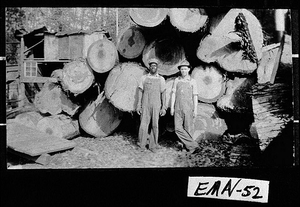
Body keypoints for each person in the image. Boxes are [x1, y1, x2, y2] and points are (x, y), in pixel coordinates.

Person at [137, 58, 167, 152]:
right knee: (143, 124)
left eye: (155, 65)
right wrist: (138, 105)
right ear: (149, 67)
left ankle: (153, 145)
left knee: (155, 125)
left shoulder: (161, 79)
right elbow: (140, 92)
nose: (153, 67)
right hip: (145, 104)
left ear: (157, 67)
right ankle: (141, 144)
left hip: (156, 104)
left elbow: (163, 93)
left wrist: (164, 107)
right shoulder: (144, 78)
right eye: (151, 65)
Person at [170, 60, 200, 154]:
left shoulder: (192, 81)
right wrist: (172, 107)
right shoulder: (177, 80)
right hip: (178, 107)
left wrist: (195, 109)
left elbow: (195, 96)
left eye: (185, 69)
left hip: (188, 108)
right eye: (182, 69)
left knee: (188, 128)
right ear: (180, 70)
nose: (183, 71)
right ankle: (193, 145)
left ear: (189, 70)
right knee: (177, 128)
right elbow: (173, 94)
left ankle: (188, 147)